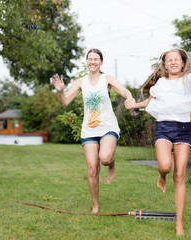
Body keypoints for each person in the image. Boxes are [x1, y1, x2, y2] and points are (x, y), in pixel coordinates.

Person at [126, 48, 191, 235]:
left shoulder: (189, 79)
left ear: (183, 63)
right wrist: (135, 105)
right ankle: (162, 175)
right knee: (165, 166)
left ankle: (178, 222)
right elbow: (150, 100)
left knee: (180, 175)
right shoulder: (161, 83)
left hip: (183, 130)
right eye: (169, 60)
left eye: (176, 59)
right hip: (163, 128)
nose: (172, 62)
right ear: (164, 64)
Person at [51, 48, 135, 213]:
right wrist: (60, 91)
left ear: (101, 62)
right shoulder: (81, 82)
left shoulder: (107, 79)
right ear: (87, 61)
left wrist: (129, 97)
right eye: (90, 59)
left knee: (104, 158)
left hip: (107, 126)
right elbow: (64, 103)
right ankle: (95, 206)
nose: (93, 62)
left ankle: (111, 162)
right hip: (89, 129)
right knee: (92, 168)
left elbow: (123, 90)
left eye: (96, 59)